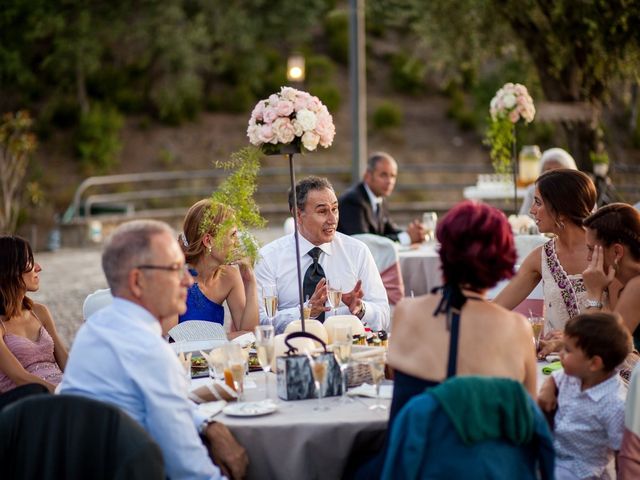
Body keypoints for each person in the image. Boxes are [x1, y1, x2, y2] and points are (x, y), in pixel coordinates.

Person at [353, 201, 537, 480]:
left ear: (444, 254)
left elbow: (392, 384)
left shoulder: (408, 312)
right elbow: (525, 420)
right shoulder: (518, 329)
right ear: (503, 258)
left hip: (417, 466)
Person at [59, 220, 247, 480]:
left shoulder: (94, 331)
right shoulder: (150, 352)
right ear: (138, 282)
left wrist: (207, 424)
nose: (187, 281)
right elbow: (192, 472)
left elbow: (160, 404)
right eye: (174, 269)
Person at [255, 176, 390, 333]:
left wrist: (361, 308)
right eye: (322, 211)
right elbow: (260, 322)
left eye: (335, 209)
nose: (332, 219)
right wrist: (306, 311)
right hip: (291, 349)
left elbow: (385, 316)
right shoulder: (269, 258)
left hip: (345, 348)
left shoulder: (357, 251)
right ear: (298, 215)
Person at [494, 169, 597, 356]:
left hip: (603, 360)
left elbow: (621, 319)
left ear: (561, 210)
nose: (531, 210)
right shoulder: (540, 258)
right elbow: (497, 307)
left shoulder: (603, 252)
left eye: (538, 202)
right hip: (554, 363)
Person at [538, 312, 631, 480]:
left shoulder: (615, 404)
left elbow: (622, 454)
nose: (560, 355)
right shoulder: (571, 375)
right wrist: (549, 386)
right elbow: (555, 378)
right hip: (552, 457)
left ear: (594, 363)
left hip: (582, 472)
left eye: (567, 350)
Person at [178, 199, 258, 336]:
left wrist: (250, 281)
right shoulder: (178, 279)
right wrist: (224, 338)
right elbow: (170, 341)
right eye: (233, 235)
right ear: (208, 241)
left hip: (214, 356)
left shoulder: (229, 276)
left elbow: (250, 334)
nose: (237, 242)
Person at [0, 235, 67, 393]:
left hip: (58, 391)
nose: (38, 268)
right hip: (25, 401)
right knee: (34, 390)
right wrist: (60, 393)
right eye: (30, 262)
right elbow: (20, 377)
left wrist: (85, 385)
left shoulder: (40, 312)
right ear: (11, 270)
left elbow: (64, 358)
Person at [582, 203, 640, 351]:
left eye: (591, 249)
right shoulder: (628, 283)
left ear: (617, 252)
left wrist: (594, 295)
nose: (588, 258)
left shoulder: (637, 286)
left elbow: (596, 350)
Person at [337, 152, 425, 245]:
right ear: (367, 176)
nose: (389, 181)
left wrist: (412, 233)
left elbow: (389, 230)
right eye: (383, 175)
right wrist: (406, 238)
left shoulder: (380, 199)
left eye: (393, 176)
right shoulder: (353, 201)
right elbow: (365, 243)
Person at [519, 147, 578, 216]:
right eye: (548, 170)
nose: (552, 175)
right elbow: (524, 217)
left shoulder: (577, 191)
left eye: (557, 171)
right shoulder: (533, 190)